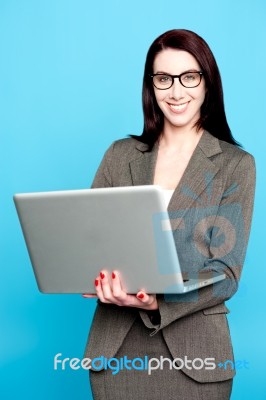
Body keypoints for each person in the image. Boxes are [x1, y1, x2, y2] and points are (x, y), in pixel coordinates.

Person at [83, 29, 255, 400]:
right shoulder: (120, 155)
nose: (176, 92)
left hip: (197, 360)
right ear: (151, 86)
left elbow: (225, 274)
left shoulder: (235, 165)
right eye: (164, 79)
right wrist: (89, 274)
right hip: (117, 353)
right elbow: (91, 242)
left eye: (189, 77)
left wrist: (158, 300)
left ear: (208, 81)